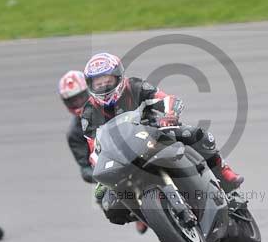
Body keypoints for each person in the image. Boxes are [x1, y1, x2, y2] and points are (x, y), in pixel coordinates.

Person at [80, 52, 243, 226]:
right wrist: (100, 172)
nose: (104, 86)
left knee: (197, 135)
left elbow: (164, 99)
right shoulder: (89, 112)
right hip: (122, 155)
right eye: (98, 83)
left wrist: (169, 114)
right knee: (109, 205)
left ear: (118, 77)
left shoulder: (134, 86)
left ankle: (223, 173)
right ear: (91, 85)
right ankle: (152, 217)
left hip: (155, 132)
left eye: (107, 81)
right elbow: (93, 147)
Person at [58, 70, 148, 234]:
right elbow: (84, 167)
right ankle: (143, 216)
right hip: (112, 165)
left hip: (138, 143)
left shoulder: (115, 100)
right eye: (72, 100)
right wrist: (97, 173)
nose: (78, 102)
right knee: (103, 200)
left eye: (80, 97)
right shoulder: (74, 134)